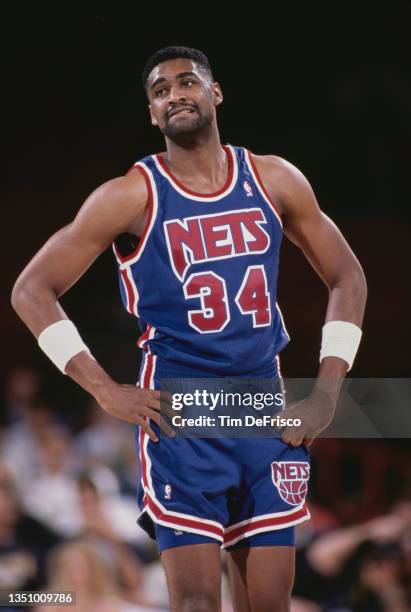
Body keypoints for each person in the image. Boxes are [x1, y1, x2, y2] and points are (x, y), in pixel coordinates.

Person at [11, 46, 367, 611]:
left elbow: (348, 276)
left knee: (269, 605)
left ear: (214, 93)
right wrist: (102, 388)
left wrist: (327, 392)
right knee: (198, 602)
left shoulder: (274, 178)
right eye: (159, 91)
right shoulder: (130, 194)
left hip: (263, 409)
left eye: (186, 82)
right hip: (181, 414)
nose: (174, 94)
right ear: (152, 114)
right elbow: (31, 290)